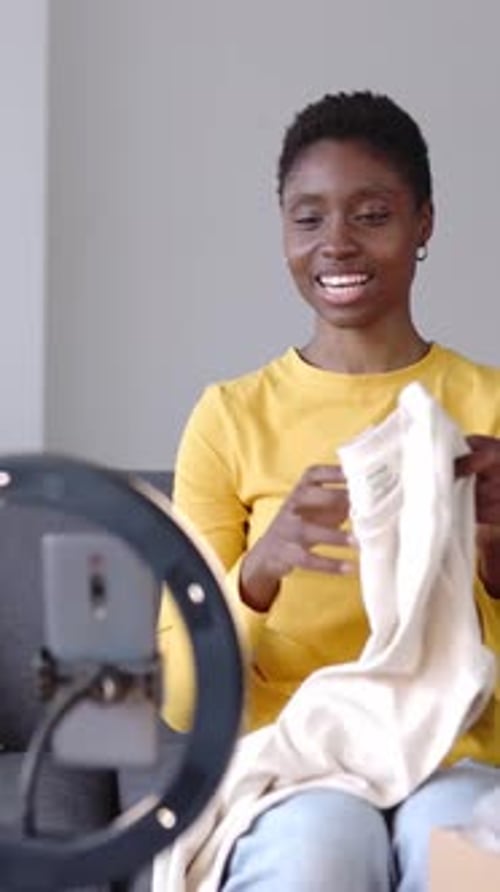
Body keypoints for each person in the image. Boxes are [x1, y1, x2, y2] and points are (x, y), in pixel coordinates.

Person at [158, 91, 500, 891]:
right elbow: (179, 698)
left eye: (372, 215)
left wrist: (495, 557)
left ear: (423, 223)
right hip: (294, 765)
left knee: (467, 863)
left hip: (459, 757)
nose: (337, 243)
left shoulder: (489, 410)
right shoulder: (230, 418)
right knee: (318, 859)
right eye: (307, 218)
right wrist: (258, 572)